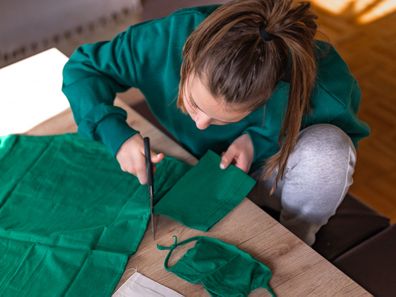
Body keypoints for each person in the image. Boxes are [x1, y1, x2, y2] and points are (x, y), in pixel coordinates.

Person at [62, 0, 370, 245]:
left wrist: (259, 138)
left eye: (225, 118)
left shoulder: (325, 85)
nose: (200, 125)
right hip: (191, 167)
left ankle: (299, 240)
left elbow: (335, 159)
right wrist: (114, 133)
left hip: (271, 174)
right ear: (188, 54)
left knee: (329, 150)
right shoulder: (165, 38)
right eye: (195, 104)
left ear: (269, 94)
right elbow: (83, 69)